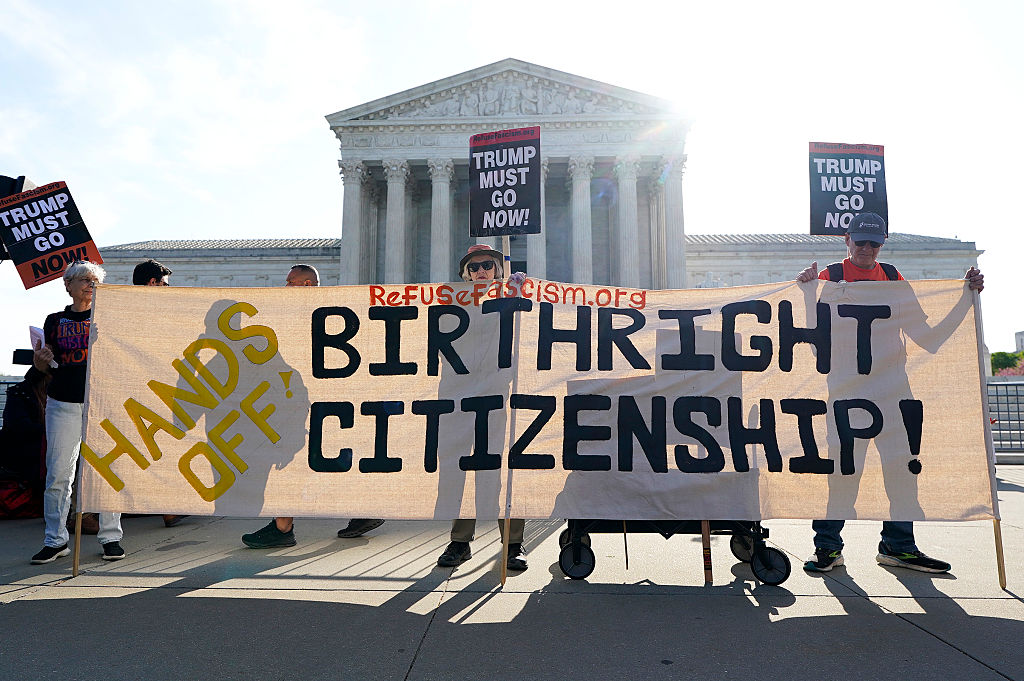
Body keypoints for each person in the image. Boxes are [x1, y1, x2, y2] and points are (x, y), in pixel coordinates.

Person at [797, 212, 984, 574]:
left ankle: (898, 546)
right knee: (842, 470)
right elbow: (814, 343)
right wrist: (805, 294)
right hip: (848, 390)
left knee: (902, 470)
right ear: (846, 240)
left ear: (882, 243)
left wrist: (965, 297)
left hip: (895, 390)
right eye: (860, 241)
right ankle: (827, 548)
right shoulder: (828, 278)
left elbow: (927, 339)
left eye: (874, 243)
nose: (867, 249)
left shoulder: (894, 278)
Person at [241, 264, 385, 548]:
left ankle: (283, 528)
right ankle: (362, 510)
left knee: (291, 459)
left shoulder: (309, 315)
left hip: (307, 403)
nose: (285, 287)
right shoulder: (332, 312)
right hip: (319, 402)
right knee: (320, 460)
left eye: (290, 282)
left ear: (307, 285)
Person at [436, 244, 529, 571]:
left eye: (487, 265)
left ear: (498, 269)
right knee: (459, 468)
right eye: (473, 268)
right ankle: (460, 541)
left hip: (498, 394)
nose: (480, 271)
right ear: (465, 274)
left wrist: (520, 294)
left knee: (505, 467)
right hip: (457, 395)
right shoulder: (449, 302)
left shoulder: (511, 298)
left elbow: (530, 332)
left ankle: (513, 544)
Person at [30, 261, 125, 563]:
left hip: (102, 403)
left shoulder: (110, 318)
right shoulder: (54, 320)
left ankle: (111, 536)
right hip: (63, 403)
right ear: (67, 285)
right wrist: (41, 361)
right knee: (59, 473)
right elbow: (45, 366)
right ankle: (55, 540)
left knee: (107, 472)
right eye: (83, 279)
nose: (90, 285)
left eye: (95, 280)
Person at [132, 258, 186, 528]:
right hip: (152, 393)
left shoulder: (124, 310)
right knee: (162, 446)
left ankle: (169, 507)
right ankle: (169, 508)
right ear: (153, 282)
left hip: (142, 392)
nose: (168, 289)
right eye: (165, 284)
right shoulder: (152, 313)